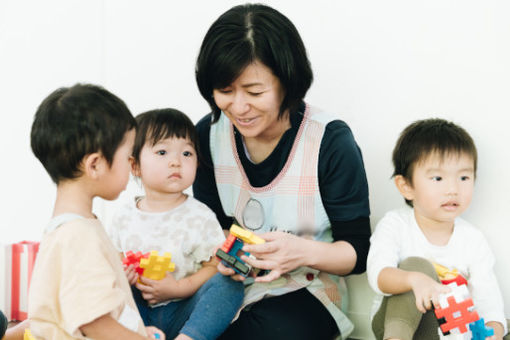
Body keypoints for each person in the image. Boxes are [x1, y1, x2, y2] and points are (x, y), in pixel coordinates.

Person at [193, 4, 371, 339]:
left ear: (286, 83)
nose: (239, 107)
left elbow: (358, 252)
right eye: (225, 91)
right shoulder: (206, 135)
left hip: (308, 289)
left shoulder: (330, 140)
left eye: (255, 92)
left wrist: (302, 251)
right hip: (226, 283)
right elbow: (208, 226)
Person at [28, 84, 165, 340]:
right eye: (127, 157)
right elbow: (96, 323)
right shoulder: (78, 236)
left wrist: (138, 331)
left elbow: (101, 313)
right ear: (95, 165)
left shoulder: (73, 228)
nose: (132, 165)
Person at [109, 109, 244, 340]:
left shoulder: (200, 216)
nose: (176, 162)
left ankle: (189, 337)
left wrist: (179, 289)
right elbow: (114, 265)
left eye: (187, 153)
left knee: (228, 283)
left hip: (185, 311)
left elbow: (213, 267)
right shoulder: (123, 217)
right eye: (162, 152)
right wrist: (124, 277)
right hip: (138, 315)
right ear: (135, 166)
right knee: (106, 289)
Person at [367, 118, 507, 340]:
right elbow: (378, 275)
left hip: (450, 331)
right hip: (401, 327)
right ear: (406, 186)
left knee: (502, 326)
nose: (453, 189)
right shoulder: (395, 225)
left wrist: (494, 332)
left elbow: (489, 301)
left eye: (463, 177)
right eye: (438, 178)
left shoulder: (473, 239)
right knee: (417, 267)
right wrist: (414, 280)